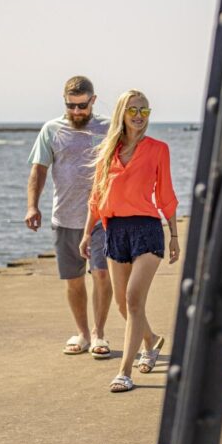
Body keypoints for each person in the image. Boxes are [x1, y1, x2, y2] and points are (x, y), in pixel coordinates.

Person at [81, 90, 179, 393]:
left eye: (144, 111)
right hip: (115, 231)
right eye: (133, 110)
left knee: (135, 298)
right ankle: (151, 341)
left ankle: (124, 371)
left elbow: (166, 195)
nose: (139, 116)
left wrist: (174, 235)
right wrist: (87, 233)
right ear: (122, 114)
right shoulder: (107, 152)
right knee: (123, 305)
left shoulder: (158, 149)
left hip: (147, 229)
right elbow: (97, 199)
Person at [25, 76, 115, 358]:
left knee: (101, 273)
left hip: (102, 218)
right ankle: (83, 334)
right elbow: (38, 170)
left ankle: (100, 334)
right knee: (74, 280)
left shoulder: (108, 127)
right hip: (64, 217)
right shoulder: (52, 129)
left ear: (93, 100)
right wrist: (32, 206)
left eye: (82, 106)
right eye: (71, 106)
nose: (76, 112)